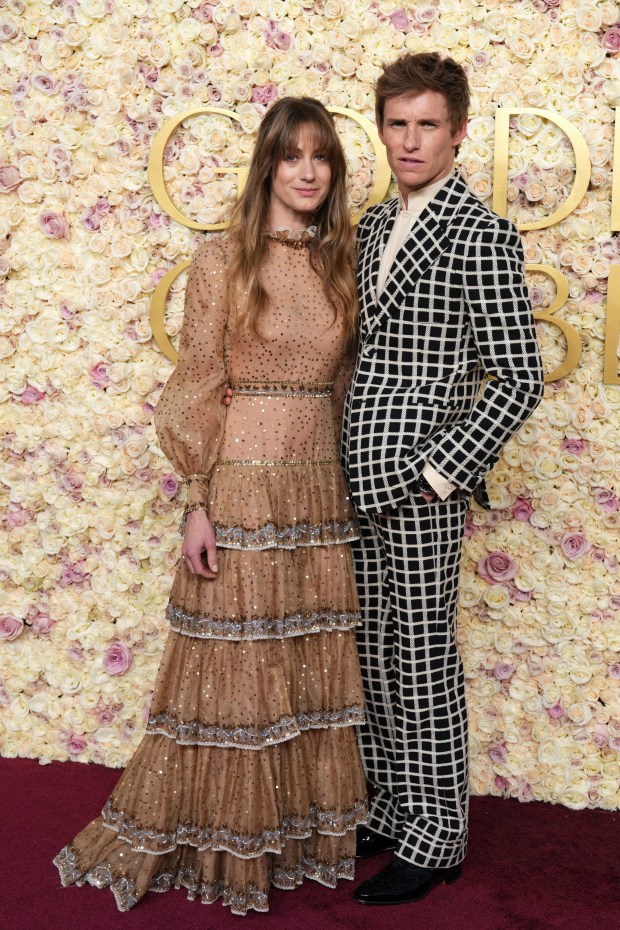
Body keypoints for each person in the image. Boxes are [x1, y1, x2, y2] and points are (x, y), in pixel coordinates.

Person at [54, 97, 368, 916]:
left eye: (321, 157)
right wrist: (196, 499)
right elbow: (195, 381)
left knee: (302, 671)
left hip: (317, 490)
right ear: (266, 165)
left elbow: (344, 385)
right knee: (236, 672)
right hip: (240, 485)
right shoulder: (221, 259)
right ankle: (216, 841)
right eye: (291, 155)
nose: (307, 171)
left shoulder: (344, 261)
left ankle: (293, 833)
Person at [341, 52, 544, 905]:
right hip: (356, 475)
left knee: (421, 657)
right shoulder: (371, 227)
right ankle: (391, 802)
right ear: (381, 129)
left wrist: (441, 474)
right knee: (375, 653)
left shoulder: (482, 231)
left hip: (422, 484)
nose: (411, 140)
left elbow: (519, 376)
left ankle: (439, 832)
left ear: (459, 133)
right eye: (397, 123)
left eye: (428, 124)